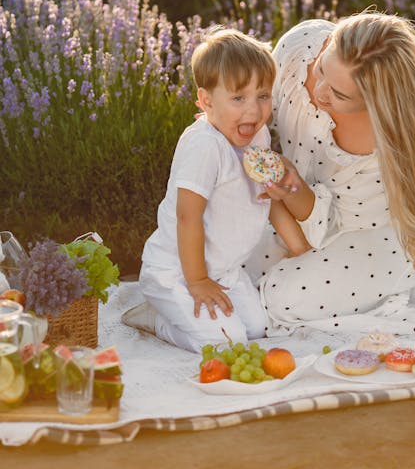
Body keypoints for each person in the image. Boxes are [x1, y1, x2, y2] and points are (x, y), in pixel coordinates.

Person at [242, 11, 415, 336]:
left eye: (340, 95)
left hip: (381, 230)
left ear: (376, 101)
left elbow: (333, 226)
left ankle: (393, 287)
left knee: (282, 298)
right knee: (228, 263)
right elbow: (257, 108)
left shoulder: (381, 152)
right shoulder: (301, 46)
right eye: (321, 72)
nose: (319, 93)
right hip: (300, 210)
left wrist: (291, 191)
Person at [122, 27, 309, 352]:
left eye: (263, 95)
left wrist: (299, 247)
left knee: (256, 328)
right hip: (179, 270)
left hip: (224, 269)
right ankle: (157, 316)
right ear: (207, 101)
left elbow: (270, 197)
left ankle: (183, 310)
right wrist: (197, 282)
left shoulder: (258, 136)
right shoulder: (205, 147)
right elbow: (187, 218)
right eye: (239, 98)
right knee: (226, 341)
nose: (254, 110)